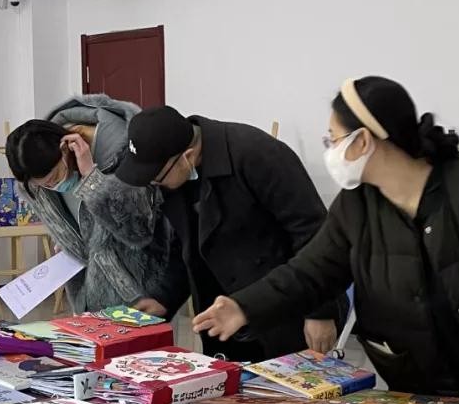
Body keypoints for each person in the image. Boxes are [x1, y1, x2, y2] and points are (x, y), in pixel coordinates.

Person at [193, 76, 459, 404]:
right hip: (438, 399)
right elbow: (312, 271)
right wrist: (245, 306)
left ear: (363, 140)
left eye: (333, 139)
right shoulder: (357, 205)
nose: (330, 150)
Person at [115, 106, 347, 361]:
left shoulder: (258, 155)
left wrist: (320, 312)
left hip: (285, 310)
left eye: (157, 179)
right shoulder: (175, 175)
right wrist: (164, 296)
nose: (155, 185)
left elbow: (315, 236)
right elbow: (187, 246)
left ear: (187, 156)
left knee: (286, 384)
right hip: (224, 319)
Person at [4, 95, 177, 312]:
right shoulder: (38, 184)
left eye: (55, 177)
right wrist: (68, 244)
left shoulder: (125, 156)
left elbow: (138, 231)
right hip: (87, 302)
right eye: (44, 185)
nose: (52, 186)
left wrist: (91, 179)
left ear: (66, 148)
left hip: (140, 297)